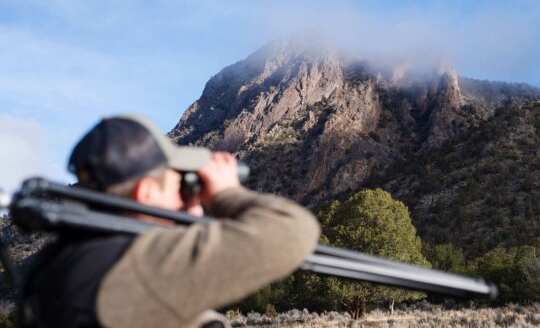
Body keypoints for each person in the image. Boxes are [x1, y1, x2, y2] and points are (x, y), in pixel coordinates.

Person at [19, 114, 320, 328]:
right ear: (145, 193)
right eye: (179, 188)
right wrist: (225, 194)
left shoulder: (56, 263)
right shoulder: (137, 265)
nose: (187, 197)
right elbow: (292, 230)